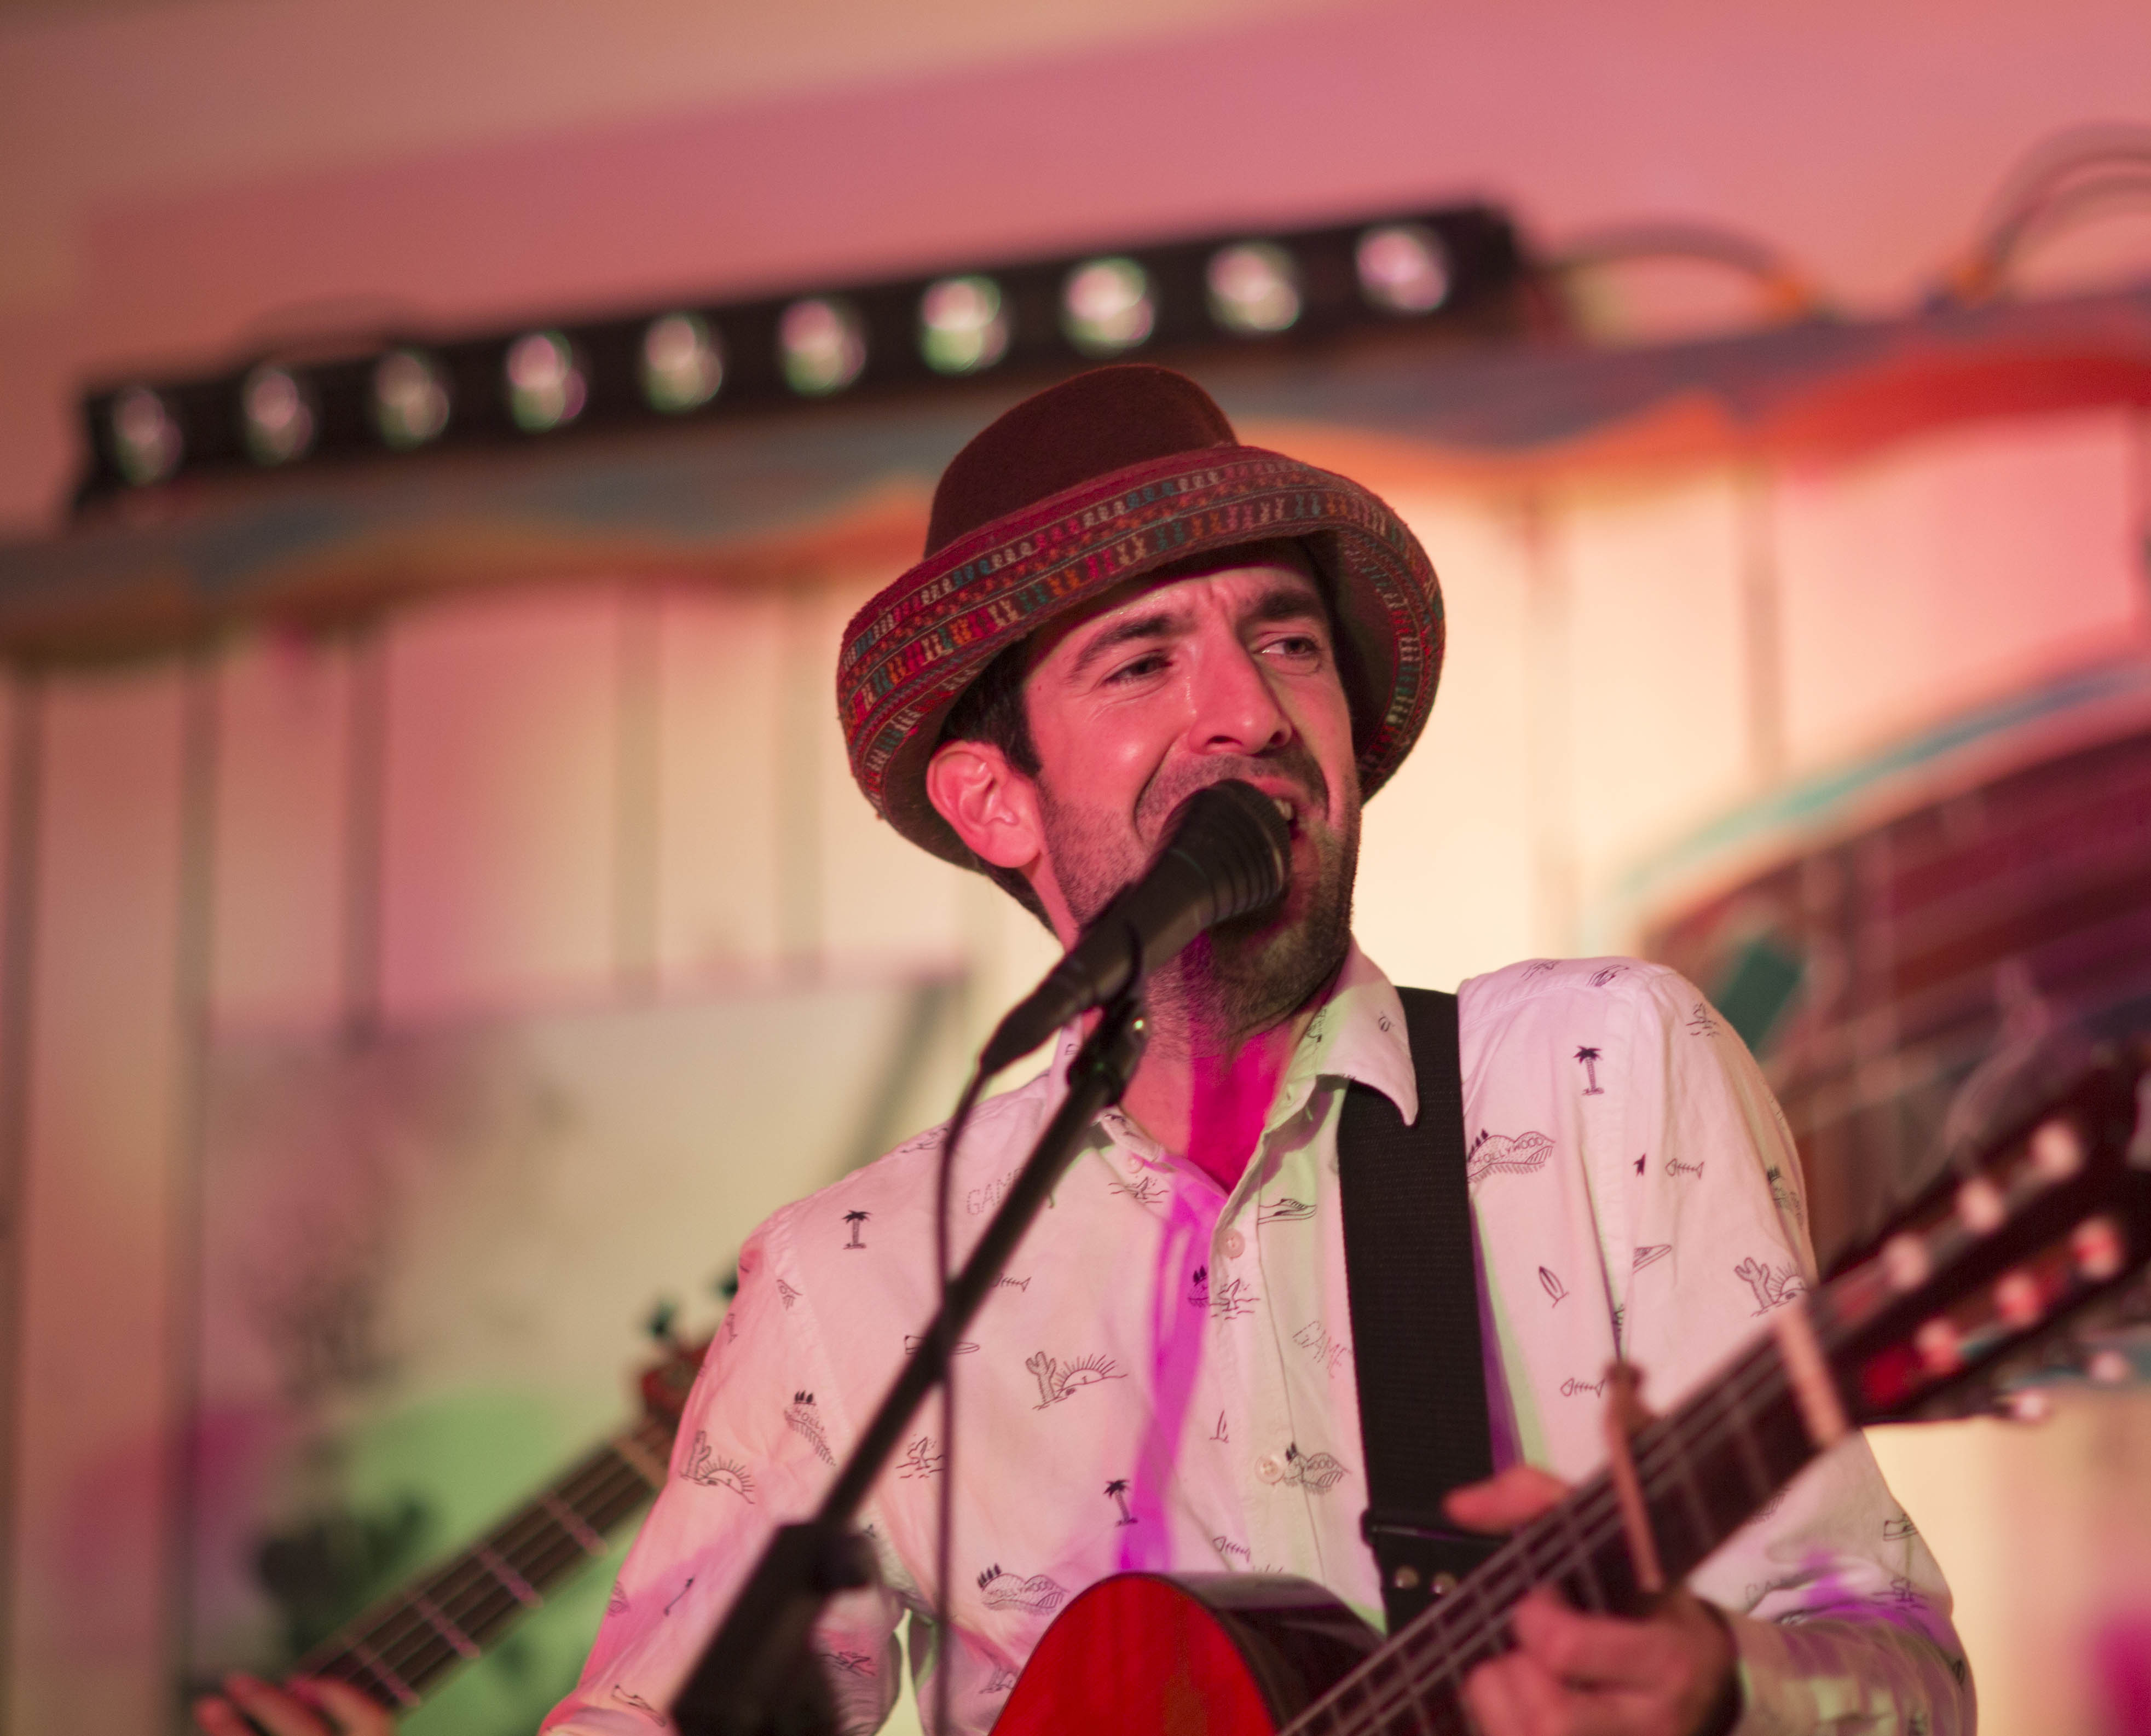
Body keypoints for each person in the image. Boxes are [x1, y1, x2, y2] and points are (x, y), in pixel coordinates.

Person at [210, 364, 1973, 1736]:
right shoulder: (854, 1276)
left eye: (1284, 637)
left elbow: (1897, 1666)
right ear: (995, 801)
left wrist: (1719, 1686)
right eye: (1142, 660)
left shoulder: (1597, 1077)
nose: (1246, 709)